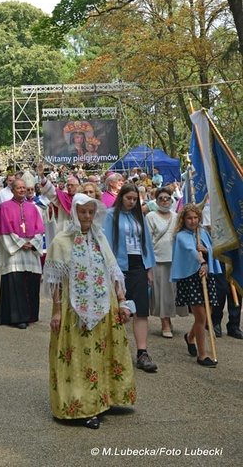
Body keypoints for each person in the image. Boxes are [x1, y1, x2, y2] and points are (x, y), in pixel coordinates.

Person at [44, 194, 136, 429]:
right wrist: (56, 312)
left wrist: (122, 301)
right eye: (82, 211)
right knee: (79, 356)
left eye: (90, 212)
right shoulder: (62, 241)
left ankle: (106, 398)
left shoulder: (100, 239)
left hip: (105, 307)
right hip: (73, 310)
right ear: (74, 212)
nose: (86, 216)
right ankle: (82, 406)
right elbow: (56, 281)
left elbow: (113, 273)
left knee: (104, 353)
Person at [104, 184, 157, 372]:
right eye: (129, 198)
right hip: (118, 265)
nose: (132, 202)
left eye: (135, 199)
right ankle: (113, 352)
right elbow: (106, 241)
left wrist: (149, 268)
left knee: (141, 309)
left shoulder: (139, 216)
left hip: (138, 265)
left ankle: (142, 352)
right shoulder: (110, 215)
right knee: (117, 308)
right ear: (121, 197)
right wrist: (109, 268)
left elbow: (147, 243)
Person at [171, 204, 221, 367]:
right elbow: (190, 251)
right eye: (189, 218)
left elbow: (211, 250)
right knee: (200, 317)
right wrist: (202, 263)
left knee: (207, 314)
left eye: (195, 218)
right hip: (192, 278)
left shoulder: (203, 233)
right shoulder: (181, 236)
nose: (193, 221)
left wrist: (206, 251)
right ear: (183, 220)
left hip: (207, 276)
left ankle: (190, 337)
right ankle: (203, 354)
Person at [0, 179, 45, 329]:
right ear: (12, 190)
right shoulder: (4, 207)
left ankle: (30, 315)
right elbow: (3, 231)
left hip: (30, 251)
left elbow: (40, 230)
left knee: (30, 282)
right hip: (14, 252)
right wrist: (21, 244)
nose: (22, 190)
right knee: (15, 283)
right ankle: (17, 318)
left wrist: (32, 243)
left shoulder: (33, 208)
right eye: (19, 188)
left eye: (24, 188)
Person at [146, 187, 179, 337]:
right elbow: (147, 240)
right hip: (157, 260)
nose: (165, 201)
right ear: (156, 200)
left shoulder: (177, 216)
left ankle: (169, 319)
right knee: (160, 292)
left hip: (175, 260)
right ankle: (164, 323)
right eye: (161, 198)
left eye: (167, 198)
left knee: (172, 293)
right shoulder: (151, 216)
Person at [37, 163, 79, 232]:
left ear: (78, 186)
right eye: (68, 185)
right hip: (65, 230)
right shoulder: (63, 197)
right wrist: (42, 176)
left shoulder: (83, 198)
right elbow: (52, 191)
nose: (69, 187)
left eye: (72, 185)